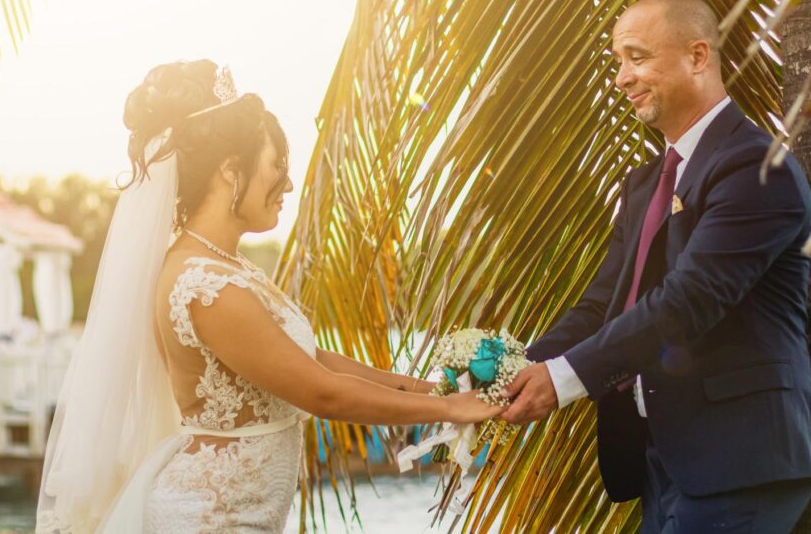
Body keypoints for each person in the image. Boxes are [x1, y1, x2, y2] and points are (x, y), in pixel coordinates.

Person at [36, 60, 499, 533]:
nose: (289, 184)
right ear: (230, 170)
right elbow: (323, 393)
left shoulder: (228, 268)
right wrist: (448, 410)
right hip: (211, 520)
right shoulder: (205, 286)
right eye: (277, 164)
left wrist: (437, 388)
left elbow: (314, 360)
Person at [502, 0, 811, 533]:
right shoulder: (644, 183)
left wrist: (561, 380)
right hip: (666, 462)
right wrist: (515, 370)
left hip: (741, 462)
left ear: (697, 57)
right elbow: (601, 306)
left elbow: (688, 301)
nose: (621, 78)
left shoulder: (755, 166)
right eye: (618, 62)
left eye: (637, 57)